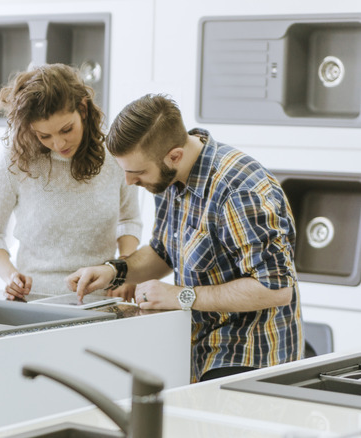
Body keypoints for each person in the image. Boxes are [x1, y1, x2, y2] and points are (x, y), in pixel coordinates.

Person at [66, 94, 304, 382]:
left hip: (250, 355)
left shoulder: (239, 190)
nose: (129, 182)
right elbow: (164, 252)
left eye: (137, 172)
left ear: (174, 155)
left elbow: (275, 288)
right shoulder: (169, 177)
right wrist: (114, 271)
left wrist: (179, 296)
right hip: (197, 349)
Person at [0, 63, 142, 300]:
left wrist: (125, 268)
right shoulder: (15, 160)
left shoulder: (113, 156)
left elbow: (129, 220)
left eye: (67, 129)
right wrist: (10, 276)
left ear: (83, 110)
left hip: (101, 302)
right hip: (35, 303)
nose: (59, 144)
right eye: (45, 136)